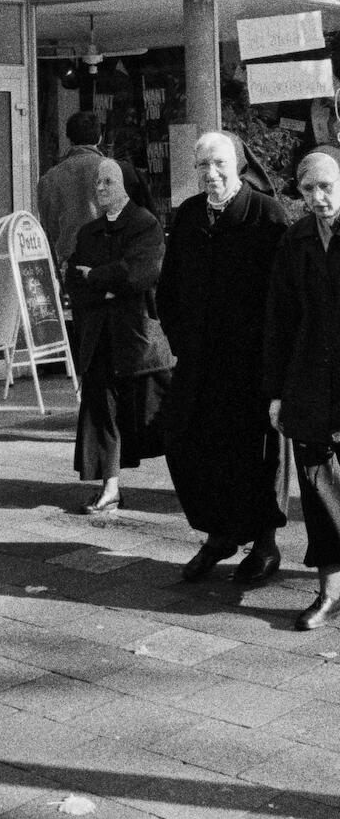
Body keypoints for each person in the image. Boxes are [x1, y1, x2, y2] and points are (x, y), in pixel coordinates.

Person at [156, 129, 290, 584]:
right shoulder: (191, 214)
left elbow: (282, 297)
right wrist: (181, 340)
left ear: (238, 165)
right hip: (197, 362)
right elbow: (169, 287)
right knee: (188, 442)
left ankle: (266, 546)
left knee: (254, 454)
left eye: (219, 164)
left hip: (250, 365)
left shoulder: (265, 214)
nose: (210, 174)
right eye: (201, 166)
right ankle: (219, 534)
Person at [66, 159, 170, 514]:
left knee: (161, 417)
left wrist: (96, 277)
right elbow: (73, 281)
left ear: (126, 184)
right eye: (97, 182)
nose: (100, 188)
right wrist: (104, 286)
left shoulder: (145, 225)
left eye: (108, 181)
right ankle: (110, 487)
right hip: (98, 336)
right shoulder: (88, 233)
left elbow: (138, 274)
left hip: (136, 339)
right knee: (102, 413)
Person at [264, 150, 340, 630]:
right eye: (308, 189)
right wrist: (277, 392)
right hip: (311, 380)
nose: (318, 198)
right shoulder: (296, 241)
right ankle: (328, 590)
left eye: (327, 187)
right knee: (316, 487)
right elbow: (280, 321)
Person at [37, 110, 155, 275]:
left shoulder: (48, 179)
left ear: (69, 139)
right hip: (112, 266)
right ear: (100, 138)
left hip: (71, 268)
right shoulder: (120, 171)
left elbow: (50, 229)